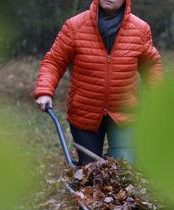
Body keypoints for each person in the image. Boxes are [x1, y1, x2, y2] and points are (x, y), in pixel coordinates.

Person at [34, 0, 163, 167]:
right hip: (85, 112)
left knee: (124, 168)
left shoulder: (140, 28)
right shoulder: (75, 26)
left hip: (124, 113)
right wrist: (45, 90)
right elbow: (54, 61)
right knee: (90, 170)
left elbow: (151, 65)